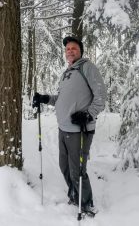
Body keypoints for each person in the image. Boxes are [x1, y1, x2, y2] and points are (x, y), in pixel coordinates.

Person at [33, 36, 106, 213]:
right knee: (64, 166)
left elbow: (101, 95)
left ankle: (86, 204)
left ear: (80, 51)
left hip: (79, 130)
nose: (70, 51)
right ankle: (74, 195)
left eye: (73, 48)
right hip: (63, 129)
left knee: (77, 170)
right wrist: (46, 98)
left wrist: (88, 115)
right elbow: (61, 99)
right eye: (67, 49)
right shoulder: (66, 74)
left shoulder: (87, 67)